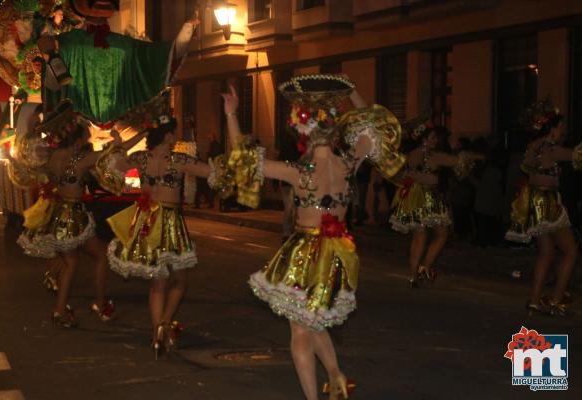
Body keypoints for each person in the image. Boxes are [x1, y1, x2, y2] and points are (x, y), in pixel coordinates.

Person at [220, 75, 405, 400]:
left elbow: (245, 158)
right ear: (334, 133)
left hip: (306, 254)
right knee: (314, 320)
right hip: (339, 253)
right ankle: (335, 376)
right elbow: (374, 126)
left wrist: (232, 114)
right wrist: (354, 92)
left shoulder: (300, 172)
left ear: (304, 133)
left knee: (299, 330)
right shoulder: (349, 163)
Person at [15, 118, 144, 327]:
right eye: (86, 136)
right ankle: (66, 309)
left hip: (58, 213)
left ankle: (94, 305)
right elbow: (114, 153)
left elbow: (30, 163)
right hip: (73, 216)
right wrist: (142, 135)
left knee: (87, 258)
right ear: (77, 141)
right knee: (78, 261)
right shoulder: (80, 160)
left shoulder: (52, 157)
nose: (88, 139)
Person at [103, 116, 213, 358]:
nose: (174, 139)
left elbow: (113, 164)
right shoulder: (179, 160)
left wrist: (130, 140)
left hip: (146, 221)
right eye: (172, 134)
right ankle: (164, 323)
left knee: (157, 284)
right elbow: (210, 172)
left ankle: (157, 335)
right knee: (180, 281)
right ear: (166, 136)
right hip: (170, 222)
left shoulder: (141, 158)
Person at [505, 100, 582, 316]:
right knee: (570, 250)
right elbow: (576, 155)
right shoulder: (551, 149)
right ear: (552, 128)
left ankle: (534, 300)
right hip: (548, 202)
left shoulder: (533, 147)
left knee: (546, 253)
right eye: (560, 127)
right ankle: (556, 300)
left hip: (533, 201)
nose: (563, 131)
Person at [390, 124, 481, 288]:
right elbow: (457, 161)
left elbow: (400, 173)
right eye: (432, 137)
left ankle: (414, 275)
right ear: (424, 140)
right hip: (428, 198)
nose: (435, 140)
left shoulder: (411, 155)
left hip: (414, 197)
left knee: (420, 236)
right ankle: (424, 267)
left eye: (435, 137)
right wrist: (476, 156)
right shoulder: (435, 156)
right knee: (440, 234)